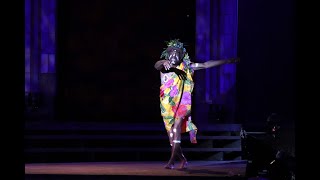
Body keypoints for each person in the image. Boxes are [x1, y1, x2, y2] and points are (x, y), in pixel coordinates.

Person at [154, 39, 239, 170]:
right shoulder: (164, 67)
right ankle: (183, 160)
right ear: (168, 54)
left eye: (177, 53)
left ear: (182, 55)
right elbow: (156, 65)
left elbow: (205, 65)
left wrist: (227, 61)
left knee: (177, 128)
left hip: (183, 103)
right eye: (171, 53)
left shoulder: (187, 67)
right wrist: (163, 62)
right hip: (167, 106)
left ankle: (171, 161)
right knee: (172, 138)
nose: (174, 56)